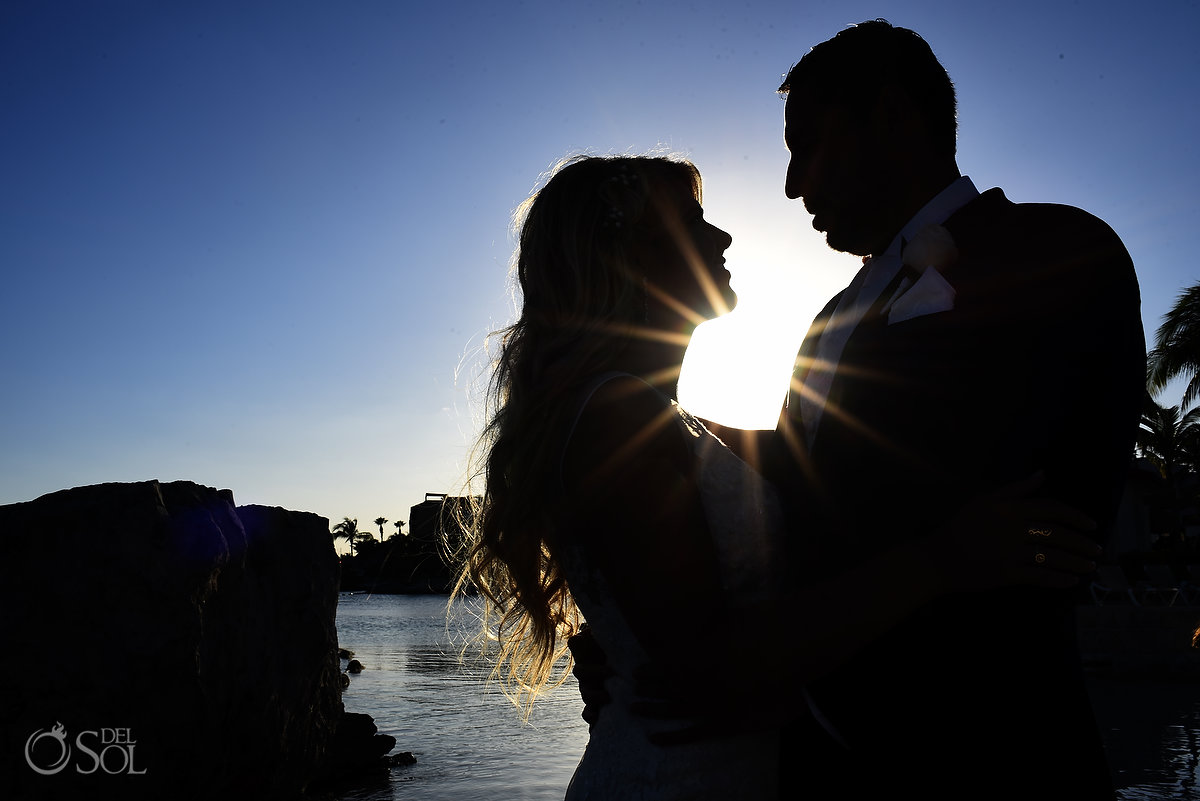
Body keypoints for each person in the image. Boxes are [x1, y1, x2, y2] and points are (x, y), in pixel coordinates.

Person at [453, 153, 1104, 800]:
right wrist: (945, 557)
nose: (723, 236)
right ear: (628, 256)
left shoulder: (660, 418)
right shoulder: (617, 417)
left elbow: (806, 468)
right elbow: (710, 667)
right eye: (692, 220)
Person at [761, 19, 1146, 800]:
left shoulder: (1062, 249)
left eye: (809, 144)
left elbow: (1028, 504)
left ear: (892, 117)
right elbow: (791, 487)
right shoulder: (829, 315)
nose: (793, 185)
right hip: (807, 758)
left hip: (990, 757)